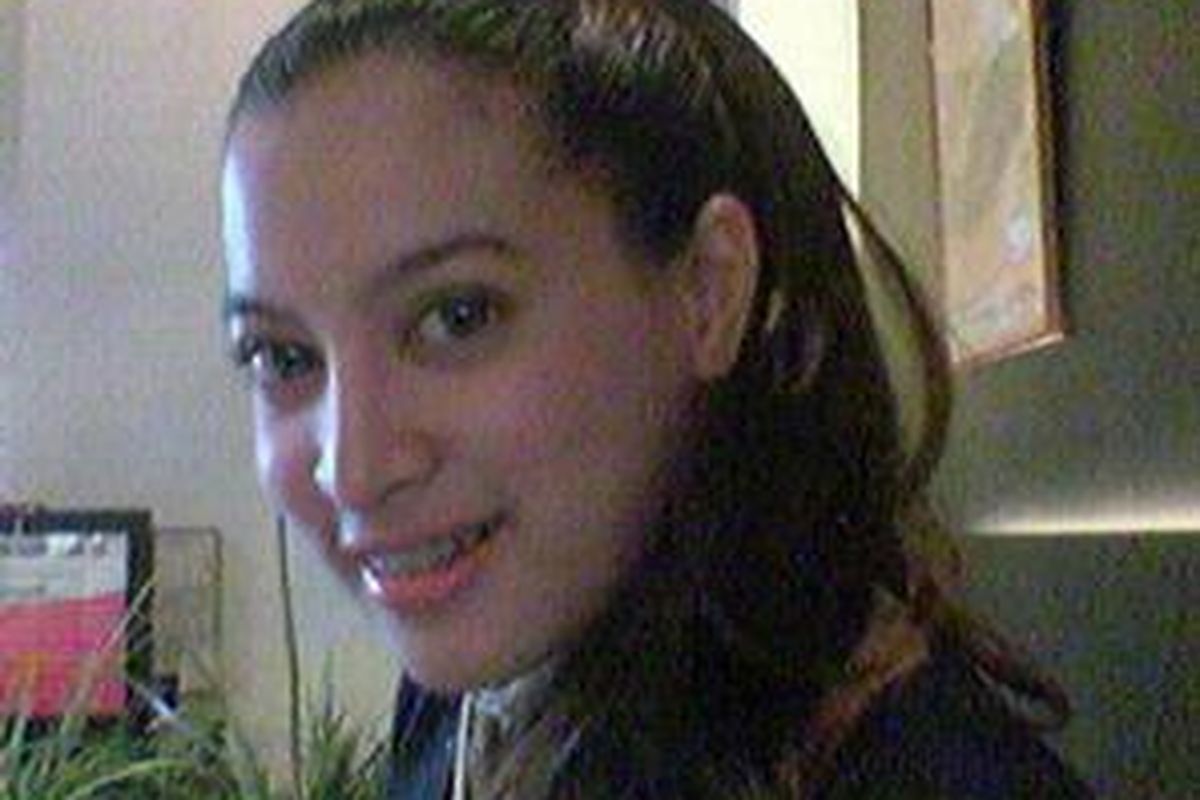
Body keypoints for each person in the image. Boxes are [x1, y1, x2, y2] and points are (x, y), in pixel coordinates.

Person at [220, 0, 1091, 796]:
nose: (353, 469)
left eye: (458, 316)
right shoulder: (471, 694)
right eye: (282, 355)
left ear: (707, 290)